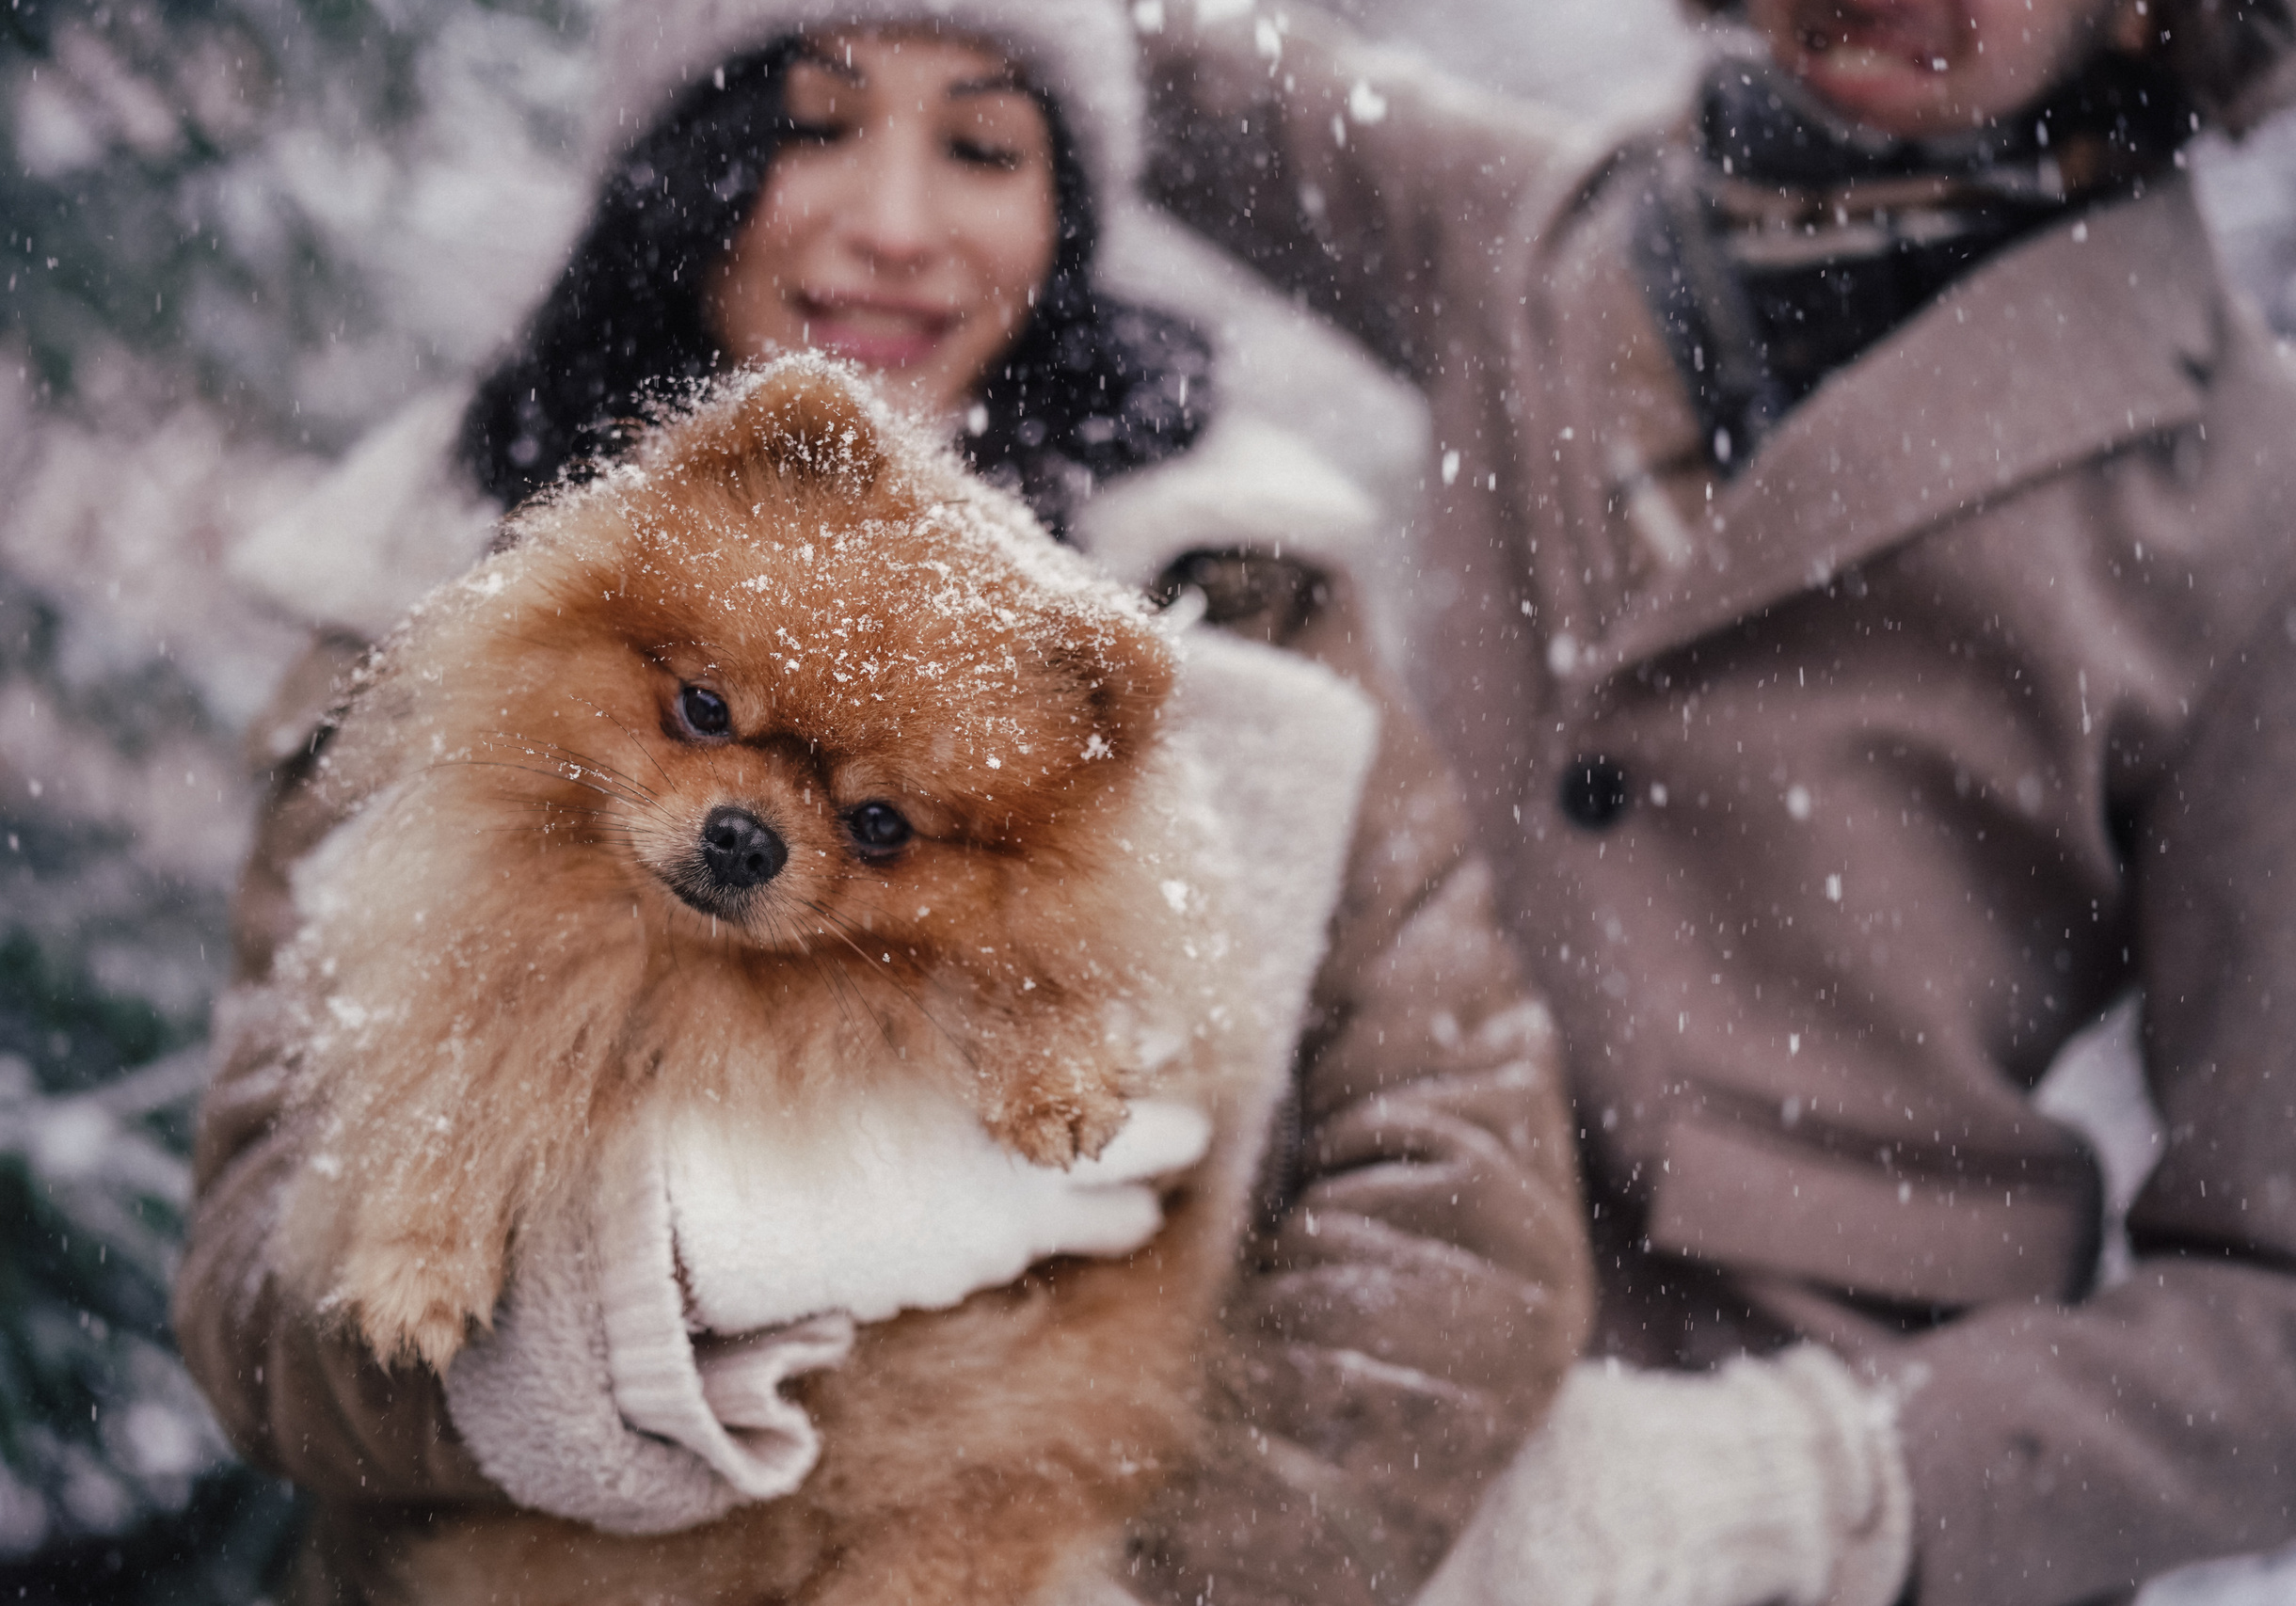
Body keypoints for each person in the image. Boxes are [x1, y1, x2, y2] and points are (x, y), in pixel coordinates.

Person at [176, 3, 1592, 1602]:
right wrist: (610, 1316)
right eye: (813, 124)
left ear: (1066, 208)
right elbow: (250, 1304)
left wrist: (1141, 1582)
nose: (898, 226)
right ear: (679, 161)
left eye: (982, 146)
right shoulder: (426, 573)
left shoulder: (1249, 590)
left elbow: (1463, 1222)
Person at [1134, 0, 2296, 1603]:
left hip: (1814, 1492)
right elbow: (1140, 64)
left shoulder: (2250, 497)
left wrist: (1815, 1483)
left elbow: (2272, 1310)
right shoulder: (1540, 237)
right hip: (1369, 1382)